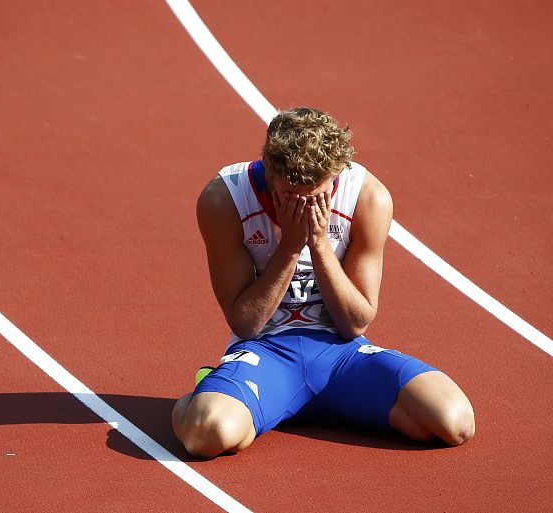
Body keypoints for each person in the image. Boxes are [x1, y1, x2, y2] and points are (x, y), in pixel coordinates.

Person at [172, 107, 475, 458]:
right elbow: (246, 323)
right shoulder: (224, 198)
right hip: (265, 351)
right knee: (205, 434)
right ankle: (205, 390)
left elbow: (356, 323)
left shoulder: (368, 197)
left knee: (454, 422)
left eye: (316, 196)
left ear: (336, 174)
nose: (304, 206)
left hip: (342, 356)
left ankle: (325, 403)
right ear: (269, 169)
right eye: (291, 195)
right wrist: (290, 246)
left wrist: (317, 243)